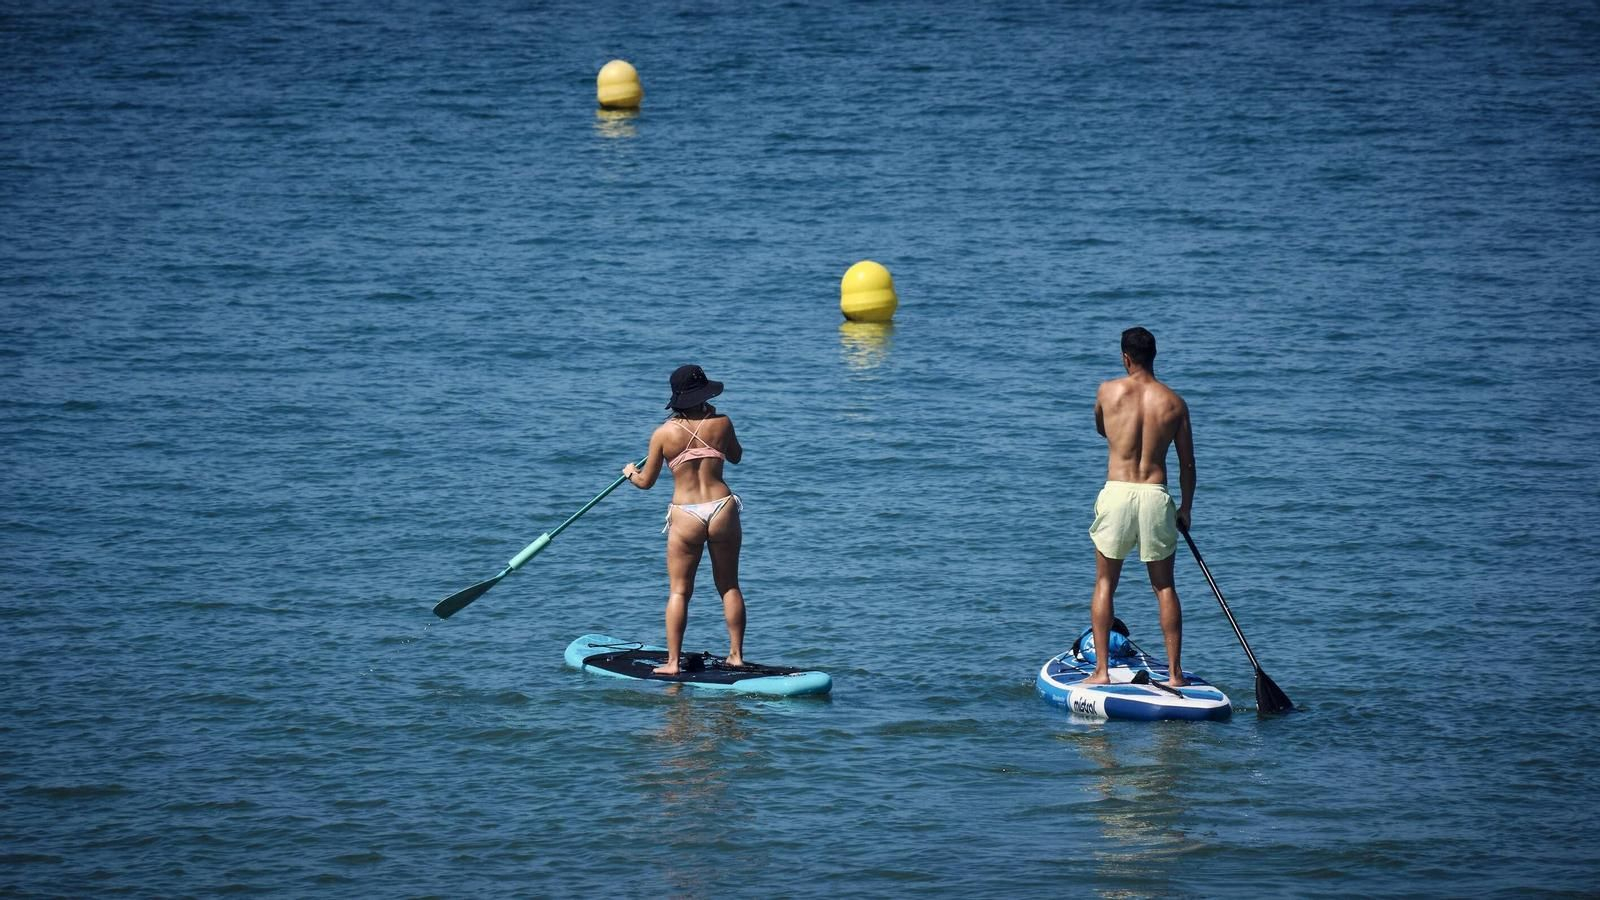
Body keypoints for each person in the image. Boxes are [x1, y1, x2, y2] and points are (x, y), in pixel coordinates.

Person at [1085, 327, 1195, 688]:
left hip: (1117, 492)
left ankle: (1101, 672)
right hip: (1154, 493)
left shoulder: (1107, 391)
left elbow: (1103, 430)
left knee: (1105, 582)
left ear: (1125, 358)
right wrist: (1186, 509)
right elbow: (1188, 464)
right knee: (1164, 588)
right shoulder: (1175, 403)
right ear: (1154, 356)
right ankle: (1176, 675)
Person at [622, 365, 746, 675]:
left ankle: (673, 663)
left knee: (679, 591)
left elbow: (646, 482)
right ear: (705, 394)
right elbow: (736, 456)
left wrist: (629, 474)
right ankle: (736, 656)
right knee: (729, 586)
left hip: (686, 514)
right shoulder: (723, 422)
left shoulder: (664, 433)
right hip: (722, 507)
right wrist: (715, 424)